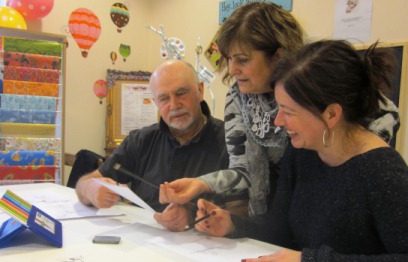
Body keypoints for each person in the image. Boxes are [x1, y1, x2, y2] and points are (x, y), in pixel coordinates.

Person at [193, 40, 408, 262]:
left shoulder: (383, 171)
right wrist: (232, 224)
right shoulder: (303, 152)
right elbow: (281, 230)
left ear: (331, 114)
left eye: (289, 111)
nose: (278, 121)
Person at [159, 2, 400, 218]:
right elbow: (243, 170)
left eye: (242, 60)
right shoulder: (239, 97)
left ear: (278, 55)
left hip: (330, 213)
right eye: (229, 58)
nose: (231, 70)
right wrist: (203, 184)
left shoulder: (323, 93)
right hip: (280, 217)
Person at [75, 60, 229, 231]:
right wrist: (90, 189)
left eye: (181, 93)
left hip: (207, 249)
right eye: (164, 98)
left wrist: (192, 214)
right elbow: (83, 183)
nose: (174, 105)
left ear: (200, 91)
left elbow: (246, 212)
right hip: (144, 246)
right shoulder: (141, 140)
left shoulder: (230, 141)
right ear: (155, 102)